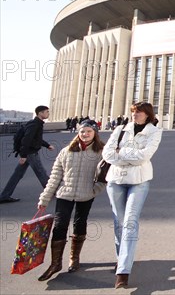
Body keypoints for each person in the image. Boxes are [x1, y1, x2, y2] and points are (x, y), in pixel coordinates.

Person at [102, 102, 163, 289]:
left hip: (139, 180)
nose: (135, 114)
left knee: (129, 222)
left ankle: (123, 272)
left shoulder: (155, 131)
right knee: (119, 222)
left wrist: (122, 153)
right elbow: (107, 154)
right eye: (134, 111)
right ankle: (122, 258)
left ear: (147, 115)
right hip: (115, 180)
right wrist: (127, 155)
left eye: (139, 112)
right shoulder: (121, 129)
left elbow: (144, 156)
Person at [36, 120, 106, 281]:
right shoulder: (66, 151)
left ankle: (74, 258)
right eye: (82, 131)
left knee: (80, 224)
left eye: (89, 131)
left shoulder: (101, 152)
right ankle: (55, 263)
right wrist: (44, 199)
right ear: (78, 133)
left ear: (95, 133)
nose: (85, 134)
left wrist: (94, 190)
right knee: (60, 226)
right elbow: (54, 177)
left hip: (86, 195)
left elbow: (105, 177)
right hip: (64, 194)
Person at [0, 106, 55, 204]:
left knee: (17, 175)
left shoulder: (36, 124)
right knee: (41, 172)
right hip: (30, 153)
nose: (48, 113)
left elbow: (36, 139)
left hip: (28, 153)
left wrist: (47, 145)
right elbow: (26, 140)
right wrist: (24, 155)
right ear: (40, 113)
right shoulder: (35, 125)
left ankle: (4, 196)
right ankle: (51, 192)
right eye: (47, 112)